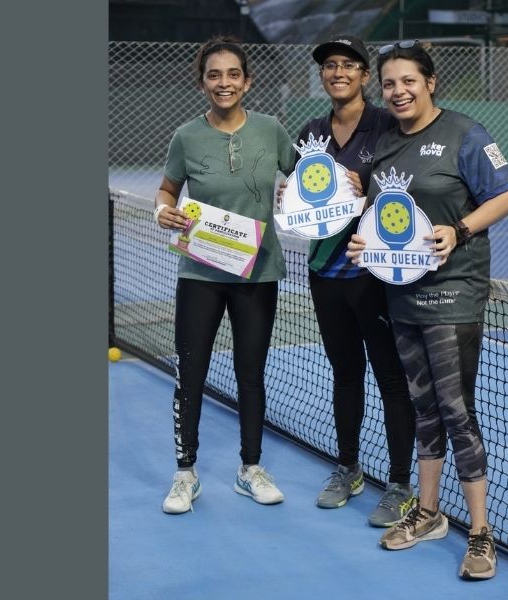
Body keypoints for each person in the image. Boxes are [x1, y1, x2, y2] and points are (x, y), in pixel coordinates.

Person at [346, 40, 508, 580]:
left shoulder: (465, 134)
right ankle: (428, 513)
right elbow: (383, 216)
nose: (398, 91)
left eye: (409, 81)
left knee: (455, 410)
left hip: (454, 294)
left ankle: (481, 532)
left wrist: (460, 228)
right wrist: (364, 243)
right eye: (389, 83)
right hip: (402, 296)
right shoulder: (385, 146)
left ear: (430, 82)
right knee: (423, 407)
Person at [154, 36, 296, 514]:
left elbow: (304, 180)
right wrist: (162, 211)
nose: (224, 82)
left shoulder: (272, 130)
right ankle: (185, 473)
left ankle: (250, 468)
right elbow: (167, 190)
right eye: (214, 75)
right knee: (190, 371)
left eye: (233, 74)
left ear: (247, 81)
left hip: (258, 273)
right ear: (202, 83)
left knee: (250, 373)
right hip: (200, 274)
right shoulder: (186, 136)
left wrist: (294, 193)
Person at [291, 35, 418, 527]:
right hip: (326, 275)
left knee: (391, 378)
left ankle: (400, 483)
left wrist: (369, 192)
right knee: (345, 374)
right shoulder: (311, 133)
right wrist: (288, 194)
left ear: (365, 75)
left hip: (376, 278)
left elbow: (408, 189)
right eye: (330, 65)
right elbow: (303, 199)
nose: (338, 72)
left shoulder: (388, 126)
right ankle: (348, 468)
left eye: (348, 64)